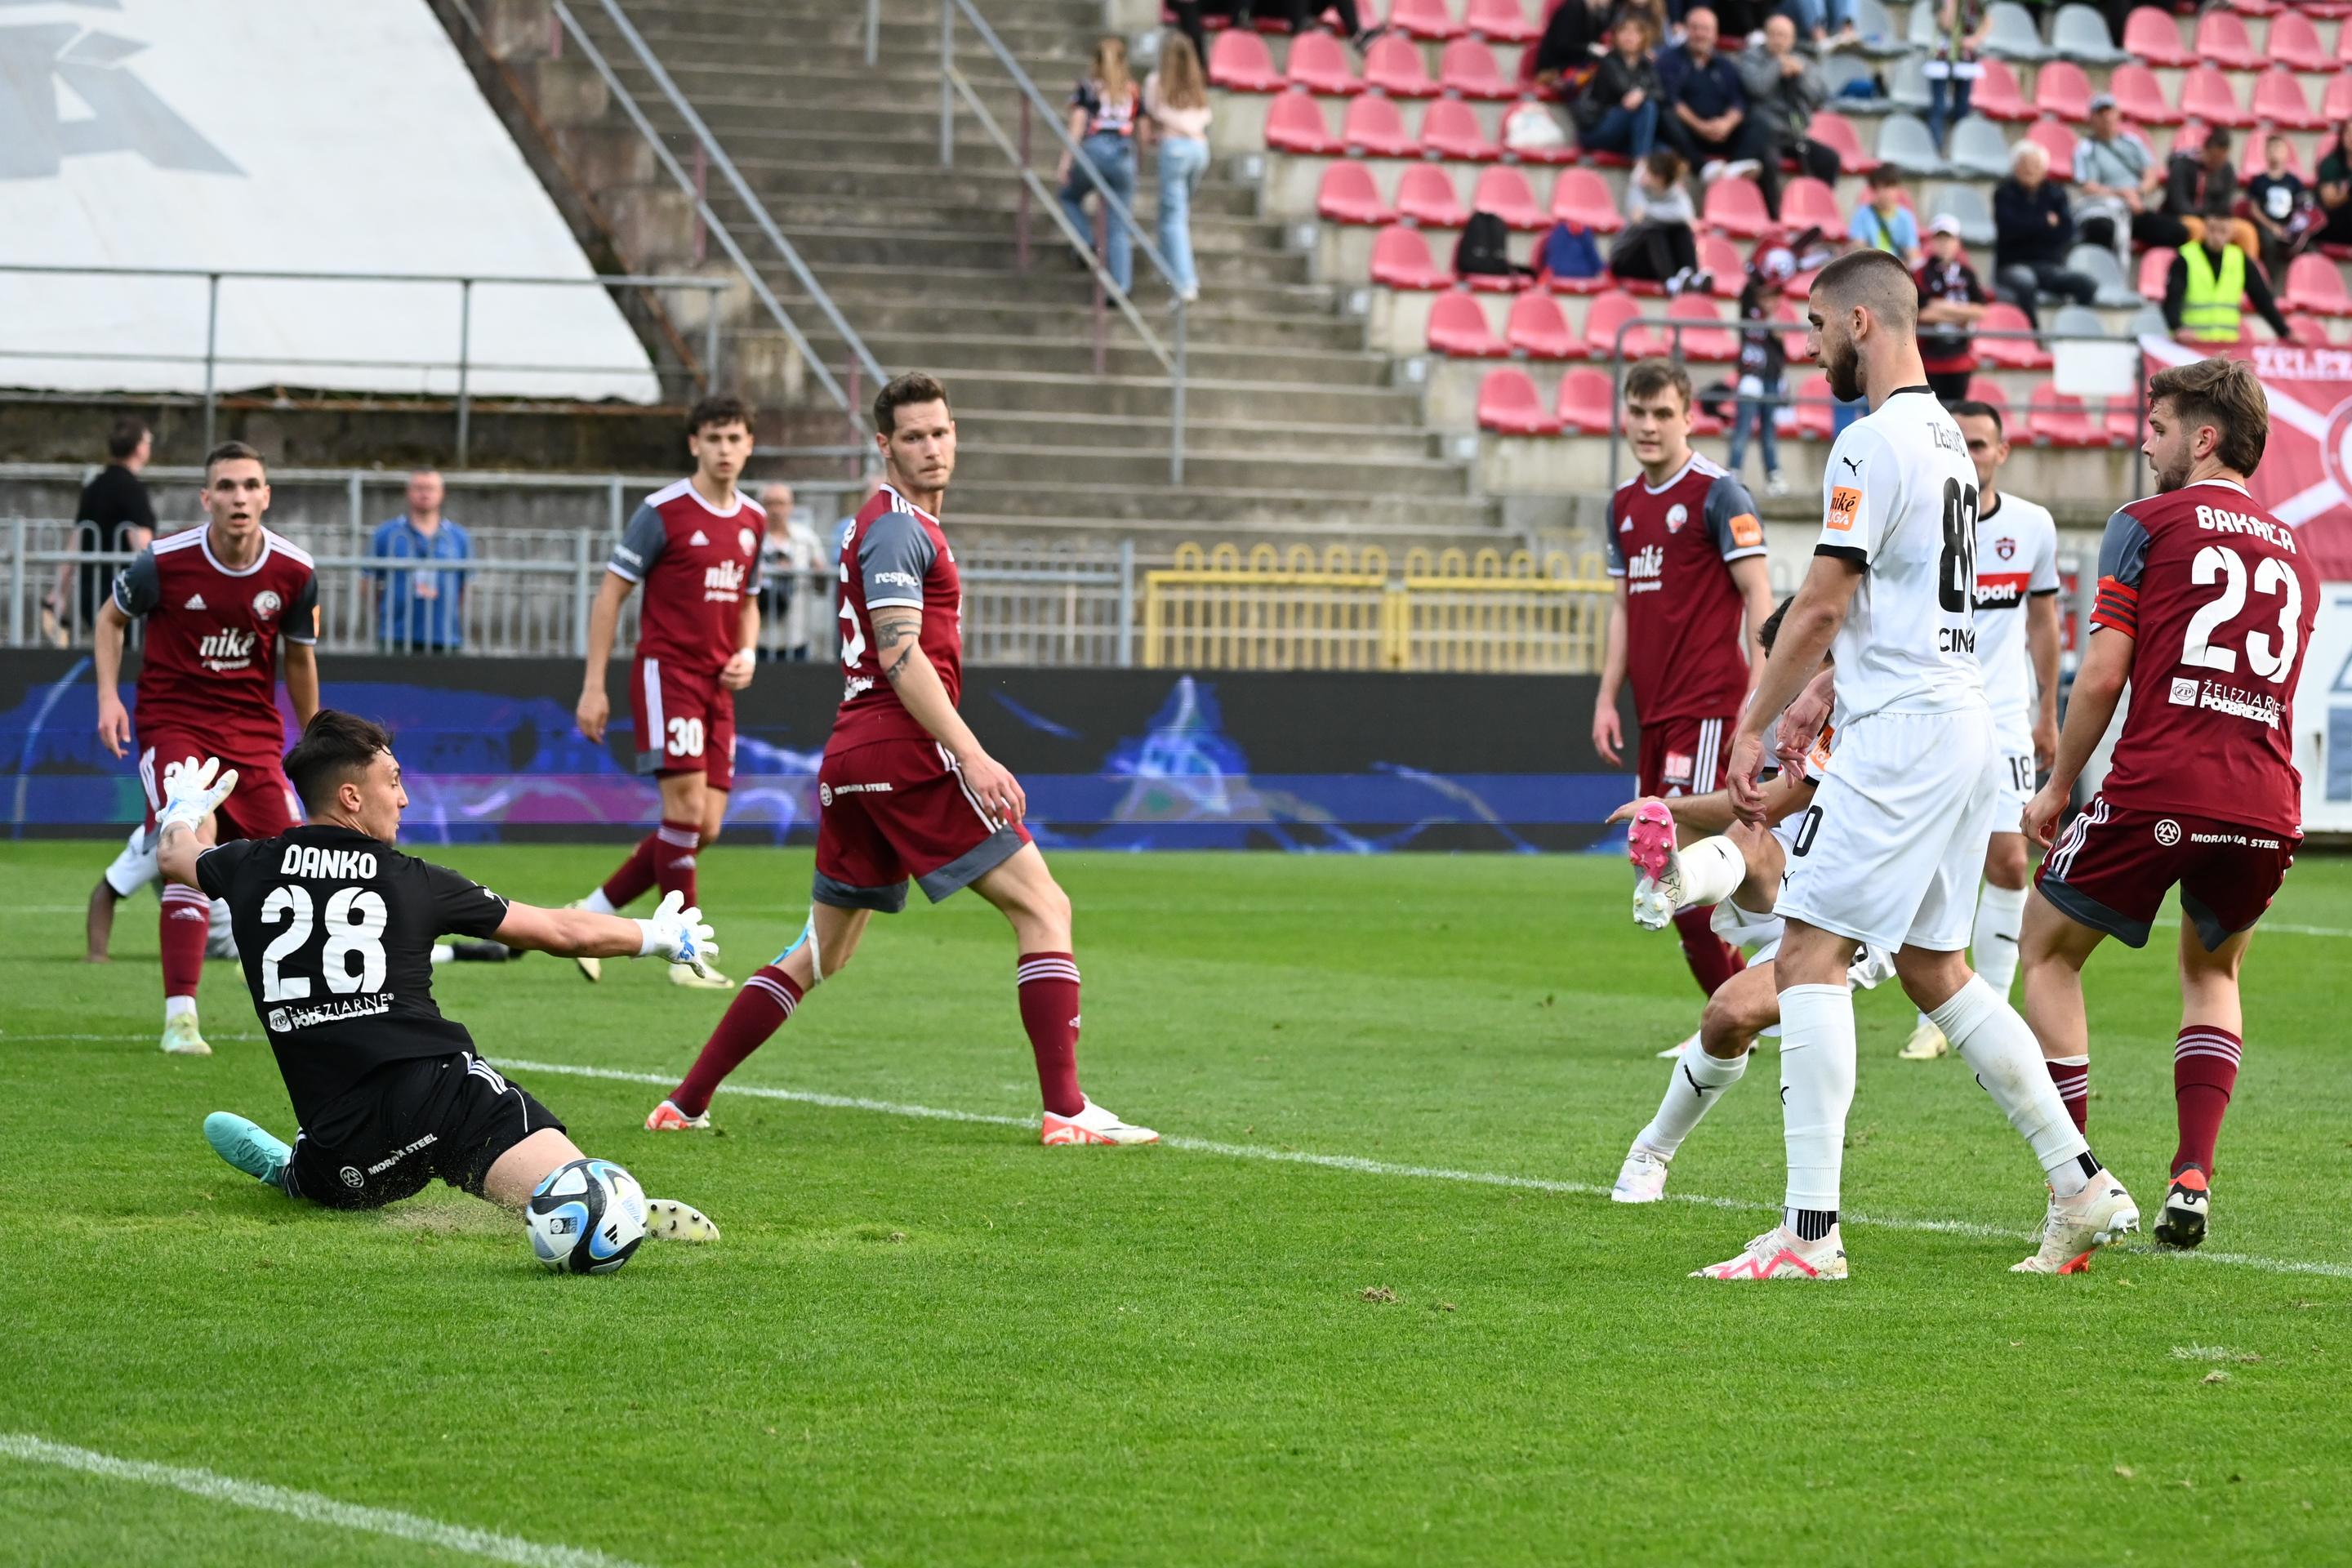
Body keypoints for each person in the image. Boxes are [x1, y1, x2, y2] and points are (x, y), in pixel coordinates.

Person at [1695, 248, 2134, 1281]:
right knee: (1941, 971)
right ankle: (2078, 1182)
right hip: (1959, 722)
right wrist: (1814, 697)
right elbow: (1890, 604)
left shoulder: (1872, 441)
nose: (1804, 347)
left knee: (1808, 955)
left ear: (1860, 323)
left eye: (1811, 325)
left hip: (1902, 737)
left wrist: (1755, 720)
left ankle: (1810, 1236)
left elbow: (1825, 602)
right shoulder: (1946, 440)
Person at [644, 373, 1159, 1147]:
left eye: (941, 432)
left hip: (852, 756)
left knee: (822, 950)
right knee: (1044, 907)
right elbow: (899, 654)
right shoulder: (895, 527)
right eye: (913, 436)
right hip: (903, 746)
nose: (932, 447)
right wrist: (974, 755)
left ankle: (684, 1102)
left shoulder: (887, 525)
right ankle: (1067, 1110)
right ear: (884, 446)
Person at [162, 712, 719, 1246]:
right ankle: (593, 1204)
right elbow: (559, 931)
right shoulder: (414, 881)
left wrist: (183, 810)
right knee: (575, 1186)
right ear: (351, 797)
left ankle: (297, 1171)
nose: (403, 798)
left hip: (349, 1147)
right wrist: (656, 935)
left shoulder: (248, 865)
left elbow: (176, 855)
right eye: (394, 782)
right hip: (443, 1101)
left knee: (331, 1180)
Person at [2018, 357, 2318, 1254]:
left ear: (2204, 437)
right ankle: (2192, 1175)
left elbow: (2104, 671)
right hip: (2265, 798)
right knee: (2214, 972)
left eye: (2157, 428)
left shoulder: (2145, 521)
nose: (2144, 442)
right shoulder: (2297, 545)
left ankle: (2075, 1180)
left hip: (2162, 786)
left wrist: (2061, 781)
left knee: (2045, 950)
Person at [1608, 602, 1898, 1203]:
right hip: (1788, 877)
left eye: (1793, 657)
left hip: (1853, 907)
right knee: (1744, 838)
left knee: (1727, 1016)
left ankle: (1651, 1148)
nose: (1778, 673)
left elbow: (1771, 800)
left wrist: (1669, 807)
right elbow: (1749, 816)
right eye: (1773, 658)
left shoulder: (1865, 704)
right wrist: (1678, 826)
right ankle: (1675, 884)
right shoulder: (1779, 709)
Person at [93, 440, 319, 1057]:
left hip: (253, 736)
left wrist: (317, 734)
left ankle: (306, 1009)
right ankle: (181, 1017)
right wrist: (109, 698)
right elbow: (110, 619)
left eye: (250, 485)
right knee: (191, 834)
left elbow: (299, 657)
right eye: (226, 486)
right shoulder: (162, 562)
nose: (239, 497)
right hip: (175, 726)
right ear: (206, 498)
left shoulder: (295, 572)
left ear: (266, 496)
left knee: (296, 862)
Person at [1592, 358, 1775, 1032]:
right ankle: (1741, 1015)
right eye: (1637, 413)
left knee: (1675, 878)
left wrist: (1759, 701)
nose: (1648, 426)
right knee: (1663, 877)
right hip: (1654, 711)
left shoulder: (1718, 494)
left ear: (1689, 416)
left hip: (1706, 708)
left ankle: (1742, 1015)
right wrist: (1608, 695)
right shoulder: (1622, 505)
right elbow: (1622, 608)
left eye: (1662, 413)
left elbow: (1760, 596)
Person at [568, 396, 764, 992]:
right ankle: (684, 953)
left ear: (749, 445)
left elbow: (749, 601)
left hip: (717, 688)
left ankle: (591, 913)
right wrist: (594, 685)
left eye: (734, 438)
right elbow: (610, 595)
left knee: (705, 826)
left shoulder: (754, 519)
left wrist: (749, 651)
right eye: (714, 438)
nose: (725, 449)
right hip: (667, 675)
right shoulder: (662, 511)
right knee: (682, 814)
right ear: (694, 445)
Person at [1897, 400, 2059, 1060]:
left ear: (2003, 451)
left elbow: (2043, 623)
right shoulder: (1921, 520)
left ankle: (1982, 1010)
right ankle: (1938, 1005)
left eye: (1982, 444)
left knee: (2010, 856)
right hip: (1934, 708)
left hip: (2003, 715)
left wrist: (2047, 709)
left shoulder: (2032, 526)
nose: (1972, 454)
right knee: (1933, 862)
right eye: (1960, 442)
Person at [45, 416, 154, 645]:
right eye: (147, 441)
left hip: (91, 593)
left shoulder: (93, 487)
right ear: (139, 448)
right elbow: (141, 544)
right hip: (127, 596)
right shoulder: (132, 489)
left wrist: (58, 593)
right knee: (130, 661)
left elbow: (76, 541)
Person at [1058, 38, 1142, 294]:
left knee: (1068, 196)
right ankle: (1120, 287)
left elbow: (1078, 123)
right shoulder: (1132, 89)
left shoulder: (1088, 88)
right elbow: (1142, 128)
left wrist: (1065, 160)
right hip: (1124, 153)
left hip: (1095, 150)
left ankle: (1086, 241)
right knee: (1118, 224)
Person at [86, 820, 236, 964]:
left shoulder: (197, 822)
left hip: (233, 935)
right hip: (216, 940)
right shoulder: (153, 839)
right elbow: (108, 889)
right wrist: (97, 954)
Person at [1732, 14, 1837, 218]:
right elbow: (1757, 88)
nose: (1779, 41)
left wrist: (1801, 75)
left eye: (1784, 36)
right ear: (1766, 36)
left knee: (1829, 159)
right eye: (1774, 35)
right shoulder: (1751, 57)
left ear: (1793, 39)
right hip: (1763, 134)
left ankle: (1818, 213)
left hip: (1794, 133)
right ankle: (1775, 218)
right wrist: (1778, 66)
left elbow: (1820, 97)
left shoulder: (1802, 62)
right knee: (1769, 161)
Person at [1993, 141, 2096, 327]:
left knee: (2087, 284)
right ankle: (2034, 335)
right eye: (2024, 165)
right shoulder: (2004, 193)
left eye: (2035, 166)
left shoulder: (2056, 194)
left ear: (2044, 170)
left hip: (2048, 266)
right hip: (2013, 264)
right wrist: (2045, 223)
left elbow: (2066, 232)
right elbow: (2010, 229)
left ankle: (2073, 329)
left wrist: (2030, 224)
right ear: (2015, 168)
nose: (2030, 170)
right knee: (2025, 282)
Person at [370, 469, 470, 654]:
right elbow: (369, 582)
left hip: (445, 635)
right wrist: (384, 614)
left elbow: (465, 585)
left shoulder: (458, 536)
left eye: (431, 488)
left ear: (442, 493)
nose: (425, 494)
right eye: (419, 488)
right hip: (396, 636)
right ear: (408, 492)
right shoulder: (386, 533)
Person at [1145, 31, 1212, 305]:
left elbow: (1152, 111)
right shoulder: (1196, 85)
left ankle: (1185, 283)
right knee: (1172, 211)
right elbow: (1205, 116)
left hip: (1175, 150)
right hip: (1199, 149)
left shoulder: (1156, 82)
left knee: (1174, 217)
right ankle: (1167, 266)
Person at [2163, 215, 2294, 345]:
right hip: (2192, 346)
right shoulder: (2186, 257)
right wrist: (2178, 328)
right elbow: (2173, 299)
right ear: (2205, 229)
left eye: (2223, 231)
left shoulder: (2240, 259)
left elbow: (2263, 300)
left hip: (2226, 349)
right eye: (2212, 230)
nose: (2217, 236)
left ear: (2231, 232)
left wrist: (2286, 332)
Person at [1655, 7, 1753, 182]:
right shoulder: (1669, 59)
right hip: (1689, 134)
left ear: (1716, 34)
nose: (1700, 34)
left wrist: (1727, 123)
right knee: (1665, 115)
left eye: (1706, 29)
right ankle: (1702, 168)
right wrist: (1700, 126)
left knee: (1761, 122)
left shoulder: (1726, 65)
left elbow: (1739, 101)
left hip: (1723, 133)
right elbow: (1672, 99)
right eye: (1694, 28)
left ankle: (1735, 167)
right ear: (1685, 30)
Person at [2070, 94, 2167, 270]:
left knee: (2177, 232)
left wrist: (2138, 193)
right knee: (2101, 230)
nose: (2106, 117)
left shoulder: (2133, 142)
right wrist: (2121, 194)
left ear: (2118, 114)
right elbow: (2088, 187)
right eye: (2100, 113)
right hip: (2106, 208)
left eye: (2109, 111)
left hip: (2135, 206)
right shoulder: (2085, 148)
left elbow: (2151, 175)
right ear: (2092, 119)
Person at [1610, 149, 1711, 292]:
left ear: (1659, 179)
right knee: (1654, 230)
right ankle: (1670, 282)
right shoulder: (1637, 187)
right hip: (1627, 259)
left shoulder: (1676, 192)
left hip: (1656, 263)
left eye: (1648, 173)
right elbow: (1637, 218)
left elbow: (1685, 216)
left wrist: (1649, 212)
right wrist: (1669, 214)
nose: (1643, 175)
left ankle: (1693, 277)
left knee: (1682, 230)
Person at [1726, 267, 1788, 497]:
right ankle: (1733, 474)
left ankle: (1774, 476)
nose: (1770, 301)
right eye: (1765, 296)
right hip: (1750, 381)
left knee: (1768, 432)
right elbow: (1745, 294)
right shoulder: (1748, 315)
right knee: (1742, 430)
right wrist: (1757, 272)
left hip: (1770, 381)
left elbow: (1781, 357)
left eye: (1774, 296)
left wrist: (1775, 331)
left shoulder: (1776, 325)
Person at [1914, 216, 1988, 404]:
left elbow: (1980, 310)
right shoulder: (1922, 273)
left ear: (1957, 242)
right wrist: (1962, 313)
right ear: (1932, 242)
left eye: (1949, 239)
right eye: (1940, 239)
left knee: (1957, 412)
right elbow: (1921, 313)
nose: (1944, 244)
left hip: (1960, 358)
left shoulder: (1967, 273)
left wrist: (1943, 306)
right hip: (1930, 359)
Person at [1573, 11, 1663, 163]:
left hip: (1624, 133)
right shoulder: (1608, 61)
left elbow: (1661, 93)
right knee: (1647, 106)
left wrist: (1642, 93)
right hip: (1599, 128)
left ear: (1644, 38)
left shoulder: (1646, 65)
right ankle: (1640, 167)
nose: (1629, 36)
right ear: (1616, 35)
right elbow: (1624, 92)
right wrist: (1644, 93)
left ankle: (1643, 166)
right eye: (1624, 30)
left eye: (1636, 32)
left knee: (1664, 151)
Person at [757, 481, 826, 662]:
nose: (775, 510)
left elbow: (822, 588)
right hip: (757, 638)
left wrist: (819, 573)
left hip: (796, 638)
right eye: (770, 503)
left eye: (781, 503)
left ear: (791, 506)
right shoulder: (751, 537)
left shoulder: (806, 539)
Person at [2164, 127, 2259, 259]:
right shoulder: (2182, 165)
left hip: (2215, 219)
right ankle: (2192, 269)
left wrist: (2214, 219)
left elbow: (2225, 203)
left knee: (2247, 231)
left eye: (2222, 159)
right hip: (2183, 217)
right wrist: (2204, 218)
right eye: (2214, 158)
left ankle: (2249, 275)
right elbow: (2178, 202)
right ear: (2205, 150)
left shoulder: (2226, 169)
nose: (2217, 163)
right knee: (2196, 228)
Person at [1922, 0, 1989, 154]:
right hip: (1942, 55)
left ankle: (1961, 147)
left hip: (1965, 58)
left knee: (1963, 106)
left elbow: (1988, 21)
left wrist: (1975, 40)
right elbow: (1946, 23)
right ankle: (1934, 149)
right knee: (1938, 106)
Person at [2245, 136, 2310, 287]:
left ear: (2287, 153)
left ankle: (2302, 285)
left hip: (2289, 225)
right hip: (2267, 225)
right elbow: (2254, 209)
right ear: (2266, 153)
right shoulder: (2259, 181)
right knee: (2268, 243)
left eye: (2279, 149)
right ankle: (2269, 284)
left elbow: (2302, 208)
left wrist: (2292, 228)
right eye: (2272, 148)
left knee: (2307, 245)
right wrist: (2272, 227)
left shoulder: (2294, 181)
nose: (2275, 152)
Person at [1533, 0, 1613, 98]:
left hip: (1575, 67)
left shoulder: (1596, 13)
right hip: (1556, 69)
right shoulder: (1573, 8)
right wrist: (1589, 48)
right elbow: (1562, 46)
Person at [1846, 167, 1921, 266]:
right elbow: (1858, 247)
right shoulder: (1863, 214)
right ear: (1874, 190)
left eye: (1891, 187)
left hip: (1897, 269)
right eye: (1883, 187)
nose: (1888, 193)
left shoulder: (1905, 217)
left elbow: (1913, 252)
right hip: (1870, 267)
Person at [2315, 119, 2352, 248]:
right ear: (2341, 136)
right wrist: (2349, 192)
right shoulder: (2330, 164)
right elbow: (2329, 201)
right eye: (2348, 133)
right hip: (2333, 223)